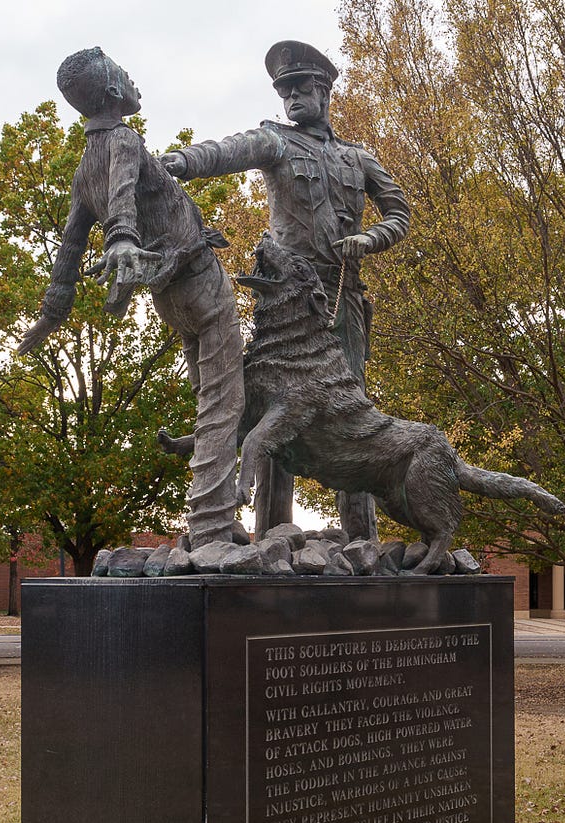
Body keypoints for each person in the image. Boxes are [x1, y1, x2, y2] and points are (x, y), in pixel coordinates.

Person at [162, 40, 411, 540]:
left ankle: (361, 540)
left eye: (301, 87)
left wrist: (369, 238)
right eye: (284, 90)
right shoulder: (276, 141)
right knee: (274, 403)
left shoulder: (358, 158)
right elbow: (229, 150)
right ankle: (273, 534)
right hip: (286, 300)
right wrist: (181, 162)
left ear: (323, 92)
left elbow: (400, 214)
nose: (291, 97)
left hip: (341, 296)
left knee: (351, 409)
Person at [19, 46, 245, 548]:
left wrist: (52, 314)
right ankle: (211, 525)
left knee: (208, 396)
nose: (133, 79)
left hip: (171, 298)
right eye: (126, 73)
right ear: (117, 93)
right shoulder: (123, 139)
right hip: (200, 281)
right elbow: (121, 198)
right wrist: (122, 236)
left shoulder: (83, 169)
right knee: (227, 399)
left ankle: (217, 513)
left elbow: (69, 249)